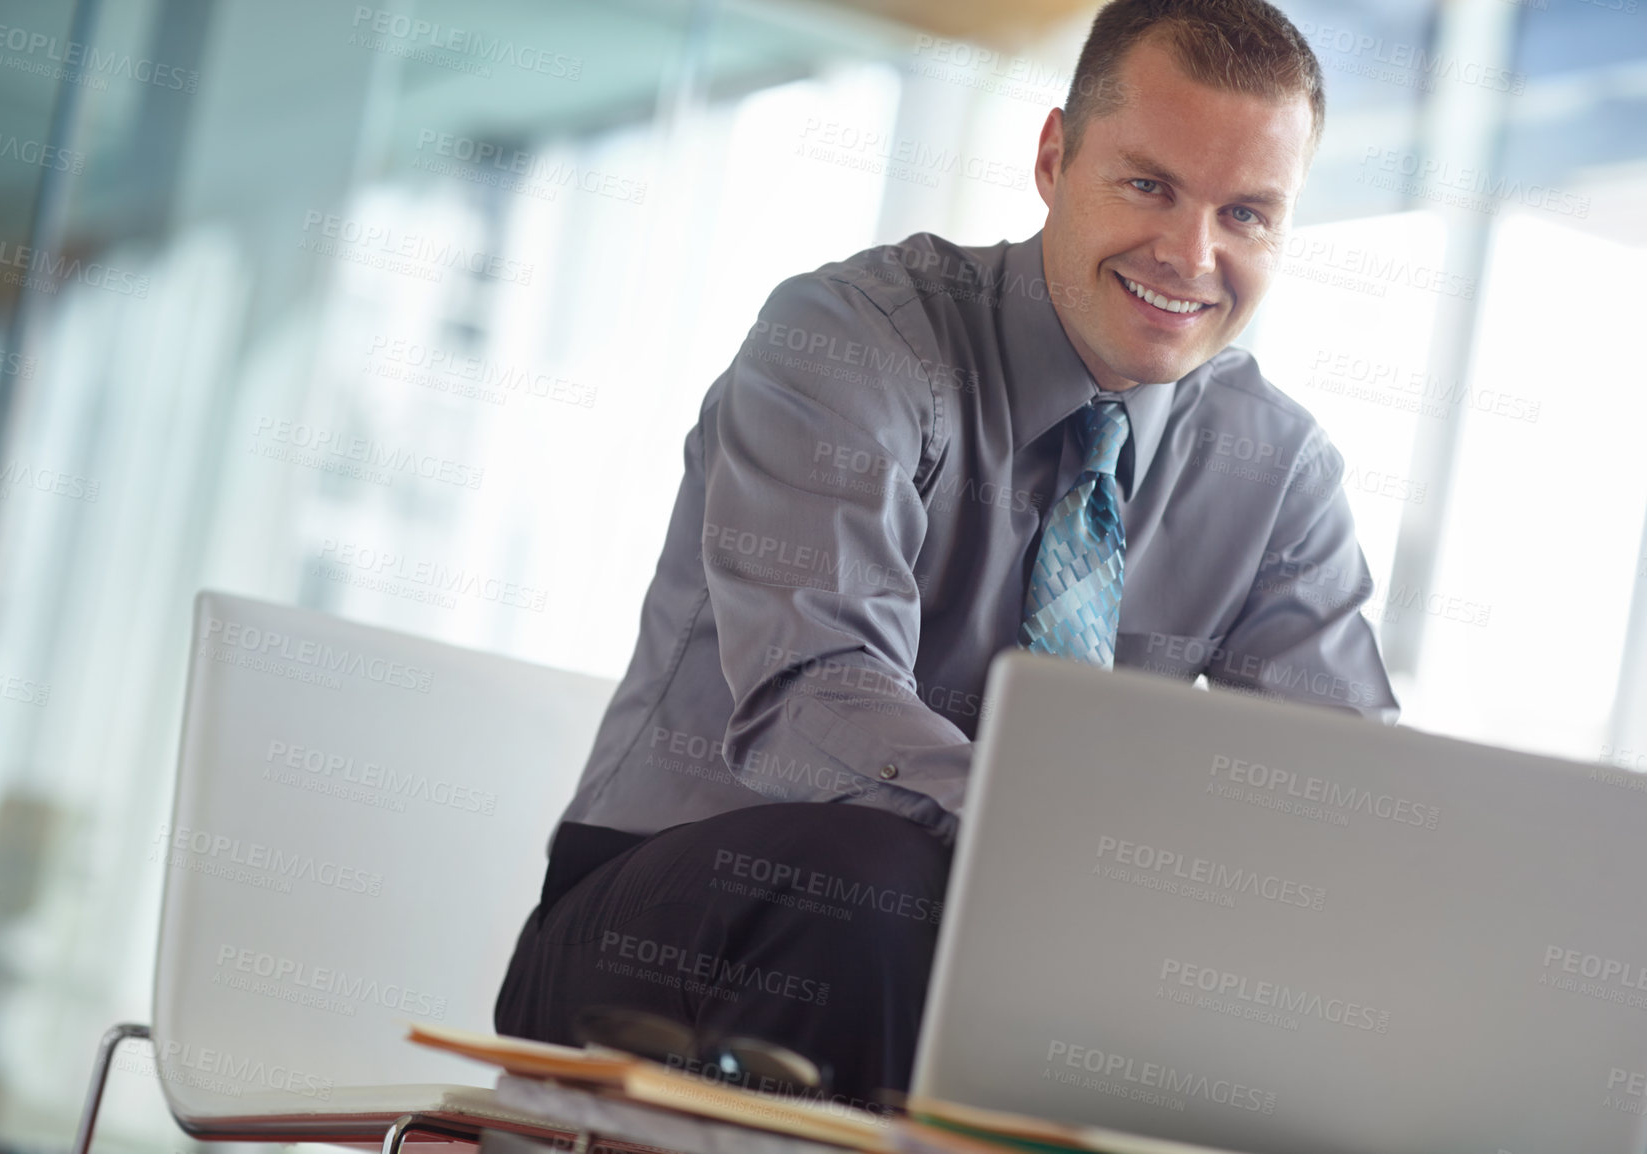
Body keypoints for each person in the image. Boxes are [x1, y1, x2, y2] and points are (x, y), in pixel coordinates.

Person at [496, 0, 1398, 1107]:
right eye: (1148, 185)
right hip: (683, 921)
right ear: (1054, 157)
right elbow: (813, 693)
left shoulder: (1277, 468)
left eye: (1247, 214)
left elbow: (1339, 789)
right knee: (878, 885)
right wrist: (1071, 854)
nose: (1190, 255)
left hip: (1018, 950)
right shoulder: (847, 339)